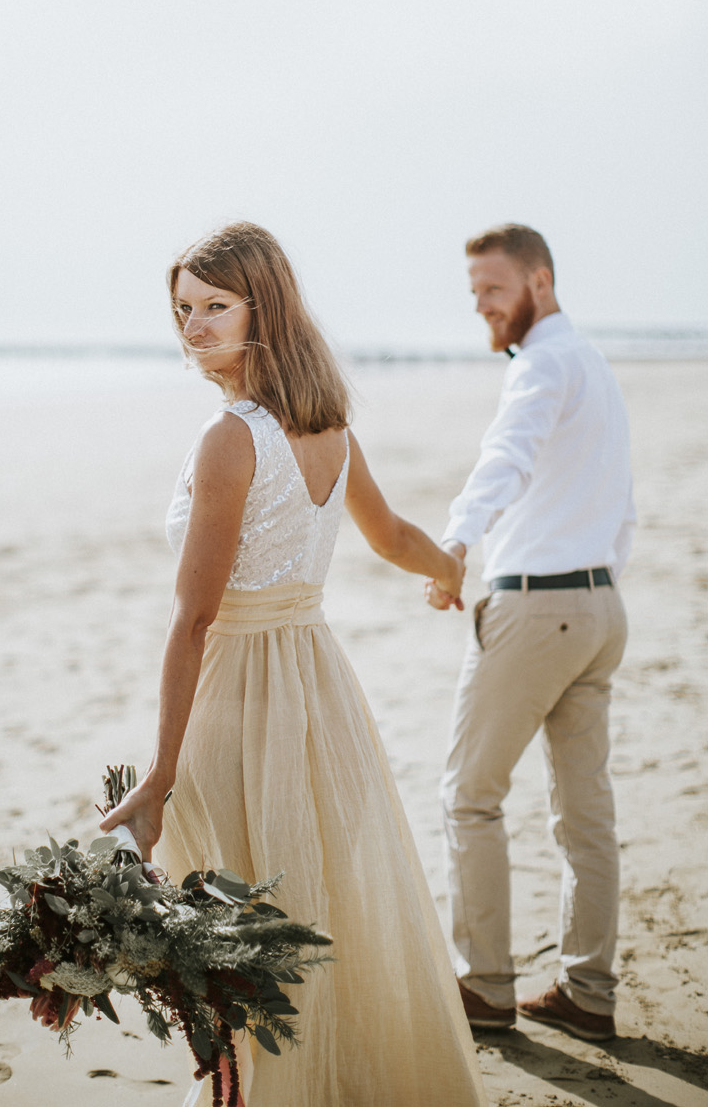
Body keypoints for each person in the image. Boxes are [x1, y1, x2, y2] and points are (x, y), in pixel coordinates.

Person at [102, 222, 486, 1106]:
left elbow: (193, 619)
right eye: (182, 311)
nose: (193, 329)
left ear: (260, 308)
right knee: (313, 909)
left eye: (214, 308)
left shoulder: (230, 437)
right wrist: (447, 569)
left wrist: (159, 775)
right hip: (318, 684)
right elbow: (392, 537)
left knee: (244, 925)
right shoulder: (327, 421)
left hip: (238, 693)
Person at [425, 223, 634, 1043]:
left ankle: (483, 988)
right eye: (474, 291)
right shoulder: (592, 365)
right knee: (584, 814)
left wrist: (452, 542)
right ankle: (588, 994)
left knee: (468, 797)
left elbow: (503, 459)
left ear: (538, 283)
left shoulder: (544, 365)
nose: (481, 305)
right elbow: (622, 502)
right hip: (597, 608)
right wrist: (601, 586)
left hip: (539, 608)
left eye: (493, 289)